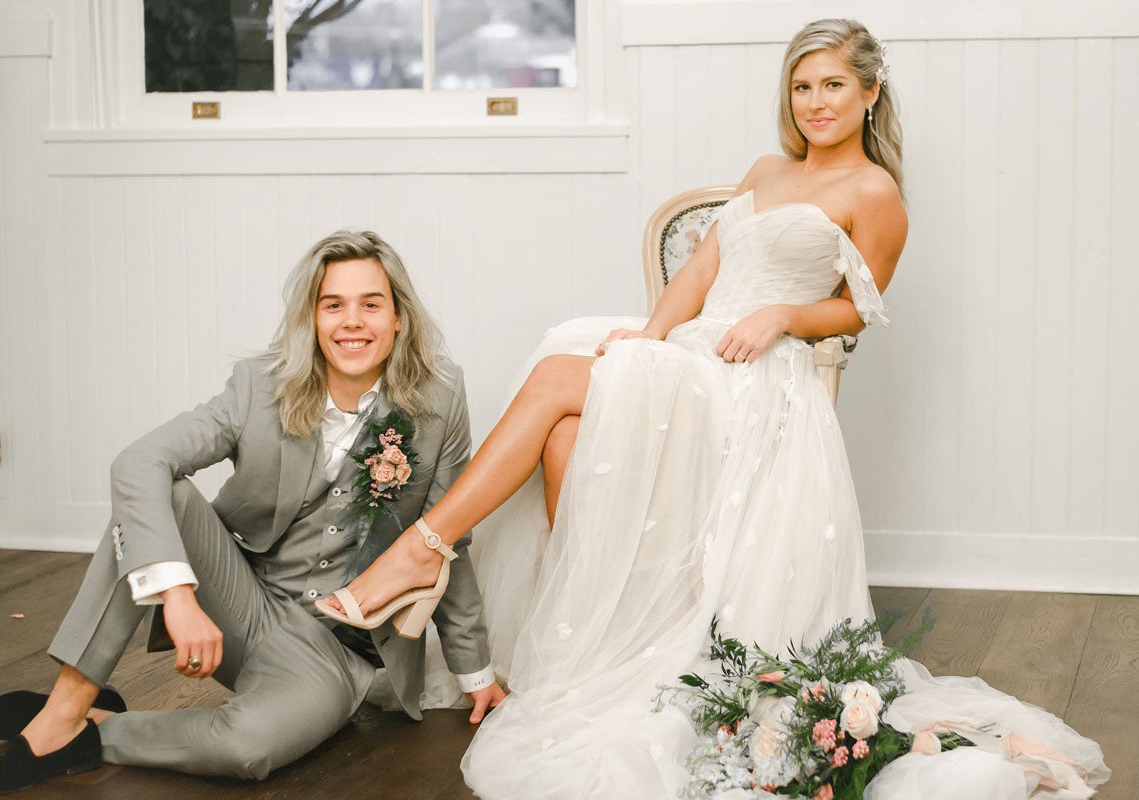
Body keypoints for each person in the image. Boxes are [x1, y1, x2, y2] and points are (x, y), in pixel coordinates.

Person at [324, 20, 1109, 799]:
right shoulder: (766, 167)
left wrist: (785, 317)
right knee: (565, 424)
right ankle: (591, 649)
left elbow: (858, 310)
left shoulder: (876, 193)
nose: (815, 101)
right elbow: (704, 263)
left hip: (760, 380)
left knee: (556, 379)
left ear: (870, 92)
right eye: (801, 86)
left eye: (833, 84)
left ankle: (423, 550)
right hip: (694, 354)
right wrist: (648, 340)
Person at [0, 230, 505, 796]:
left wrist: (475, 671)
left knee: (247, 748)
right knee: (156, 489)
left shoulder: (438, 397)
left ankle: (95, 729)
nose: (353, 322)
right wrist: (180, 597)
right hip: (245, 604)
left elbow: (447, 536)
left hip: (341, 651)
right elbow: (138, 461)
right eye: (333, 305)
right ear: (311, 320)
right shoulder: (258, 387)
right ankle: (61, 712)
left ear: (398, 318)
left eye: (371, 304)